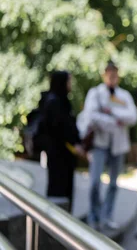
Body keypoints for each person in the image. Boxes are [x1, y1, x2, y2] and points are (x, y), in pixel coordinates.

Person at [80, 61, 137, 230]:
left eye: (115, 74)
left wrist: (111, 112)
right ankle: (94, 215)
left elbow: (132, 117)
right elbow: (91, 117)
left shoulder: (124, 95)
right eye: (109, 74)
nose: (112, 77)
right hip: (99, 144)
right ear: (104, 74)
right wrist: (115, 122)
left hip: (118, 146)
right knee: (94, 183)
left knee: (113, 184)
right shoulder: (95, 93)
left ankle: (107, 216)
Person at [43, 70, 84, 212]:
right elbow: (61, 130)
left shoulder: (62, 101)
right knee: (58, 193)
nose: (70, 85)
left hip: (65, 157)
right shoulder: (54, 103)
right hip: (58, 156)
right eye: (68, 81)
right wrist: (73, 143)